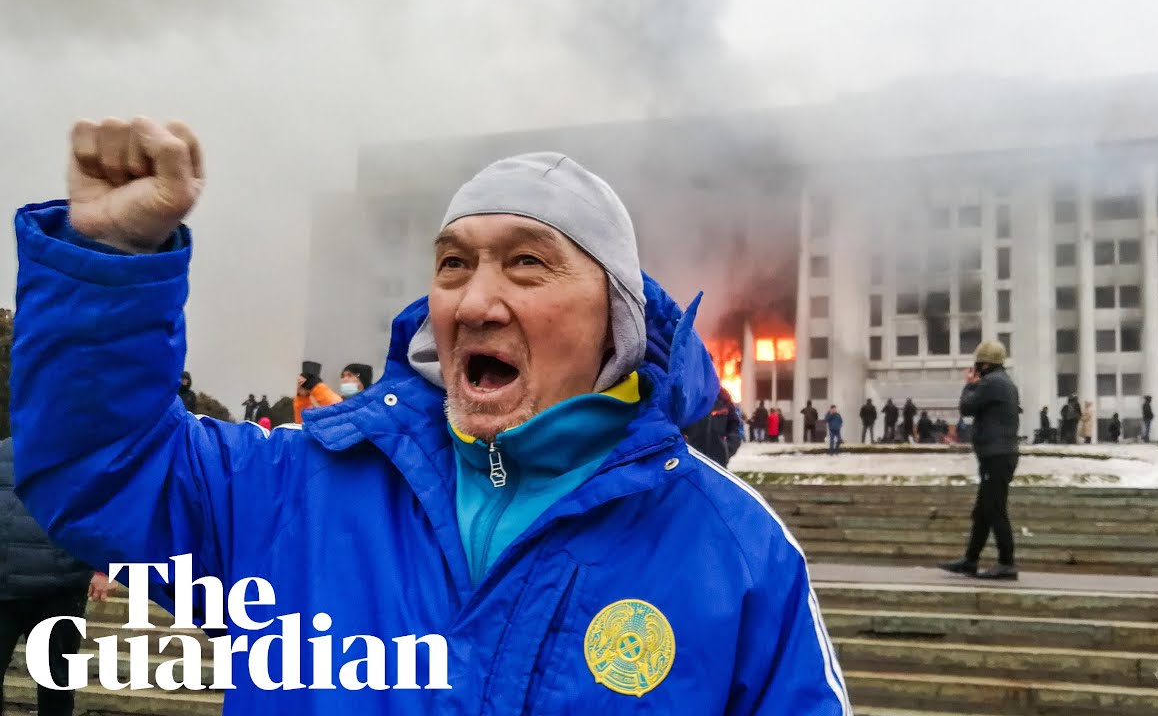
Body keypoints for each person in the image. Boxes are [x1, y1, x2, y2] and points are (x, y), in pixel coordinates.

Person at [10, 122, 849, 714]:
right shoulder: (294, 491)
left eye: (528, 263)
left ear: (615, 322)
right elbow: (101, 466)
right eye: (453, 264)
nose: (477, 299)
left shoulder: (735, 551)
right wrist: (109, 265)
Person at [1, 438, 116, 716]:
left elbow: (105, 511)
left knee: (57, 684)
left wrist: (103, 568)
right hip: (13, 586)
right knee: (57, 684)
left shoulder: (86, 454)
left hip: (59, 588)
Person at [940, 341, 1021, 581]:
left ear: (984, 364)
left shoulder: (991, 382)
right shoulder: (1003, 381)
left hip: (996, 455)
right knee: (983, 511)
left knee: (995, 509)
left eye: (978, 365)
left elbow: (966, 408)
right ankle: (970, 560)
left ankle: (1007, 563)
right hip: (999, 454)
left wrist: (969, 385)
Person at [683, 386, 744, 468]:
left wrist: (727, 448)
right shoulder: (687, 396)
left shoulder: (722, 397)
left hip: (718, 462)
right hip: (692, 462)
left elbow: (735, 426)